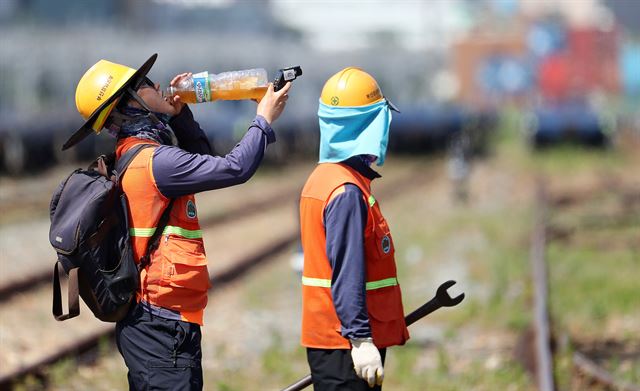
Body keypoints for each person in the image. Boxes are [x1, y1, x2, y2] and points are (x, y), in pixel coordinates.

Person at [65, 53, 291, 390]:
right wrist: (263, 120)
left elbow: (204, 159)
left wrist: (180, 115)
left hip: (156, 320)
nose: (158, 86)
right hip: (159, 323)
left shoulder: (134, 153)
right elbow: (233, 168)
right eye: (146, 85)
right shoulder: (155, 162)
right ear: (133, 103)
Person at [299, 67, 409, 391]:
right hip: (345, 343)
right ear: (368, 125)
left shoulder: (325, 178)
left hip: (334, 338)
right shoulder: (345, 191)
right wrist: (360, 340)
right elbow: (347, 270)